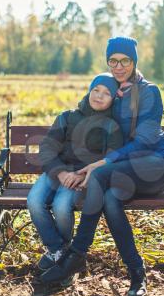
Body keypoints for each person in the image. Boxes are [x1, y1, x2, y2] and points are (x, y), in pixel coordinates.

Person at [40, 36, 164, 296]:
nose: (119, 66)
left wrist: (106, 161)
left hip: (156, 166)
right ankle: (137, 273)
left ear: (135, 61)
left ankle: (77, 253)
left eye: (125, 60)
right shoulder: (115, 91)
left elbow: (146, 140)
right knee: (111, 200)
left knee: (100, 174)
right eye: (113, 60)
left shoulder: (149, 91)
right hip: (125, 171)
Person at [27, 73, 123, 272]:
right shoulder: (67, 116)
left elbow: (111, 158)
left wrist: (83, 175)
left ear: (113, 99)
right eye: (96, 90)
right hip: (56, 171)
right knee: (34, 201)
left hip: (82, 176)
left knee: (61, 206)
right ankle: (58, 249)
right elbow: (47, 148)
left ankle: (63, 256)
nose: (99, 96)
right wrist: (60, 173)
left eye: (106, 93)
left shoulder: (111, 126)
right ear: (89, 91)